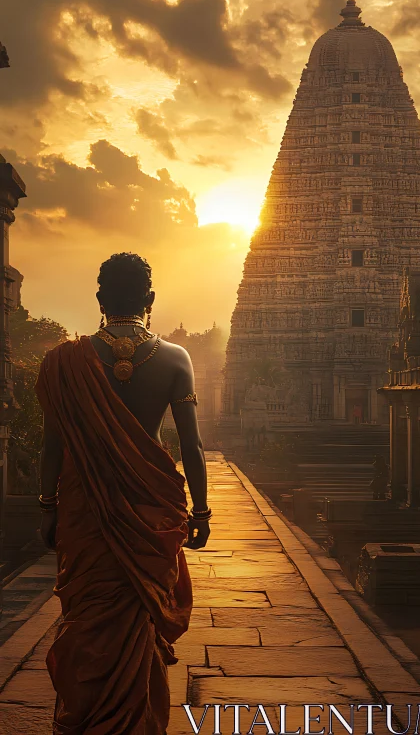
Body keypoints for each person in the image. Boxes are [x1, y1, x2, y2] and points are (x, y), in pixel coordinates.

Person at [36, 252, 210, 735]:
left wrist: (47, 507)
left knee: (88, 615)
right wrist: (202, 511)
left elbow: (53, 445)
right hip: (150, 508)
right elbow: (192, 446)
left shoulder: (63, 362)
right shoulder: (175, 358)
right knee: (139, 614)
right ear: (150, 300)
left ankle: (86, 717)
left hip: (83, 507)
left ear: (99, 299)